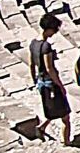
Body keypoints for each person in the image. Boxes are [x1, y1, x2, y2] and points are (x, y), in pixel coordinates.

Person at [28, 14, 72, 145]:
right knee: (65, 117)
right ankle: (66, 142)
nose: (55, 33)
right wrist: (60, 85)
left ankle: (41, 128)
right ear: (49, 29)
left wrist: (34, 80)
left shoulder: (33, 44)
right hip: (50, 84)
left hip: (41, 82)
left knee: (51, 110)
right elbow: (49, 68)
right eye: (55, 30)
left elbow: (31, 64)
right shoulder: (46, 46)